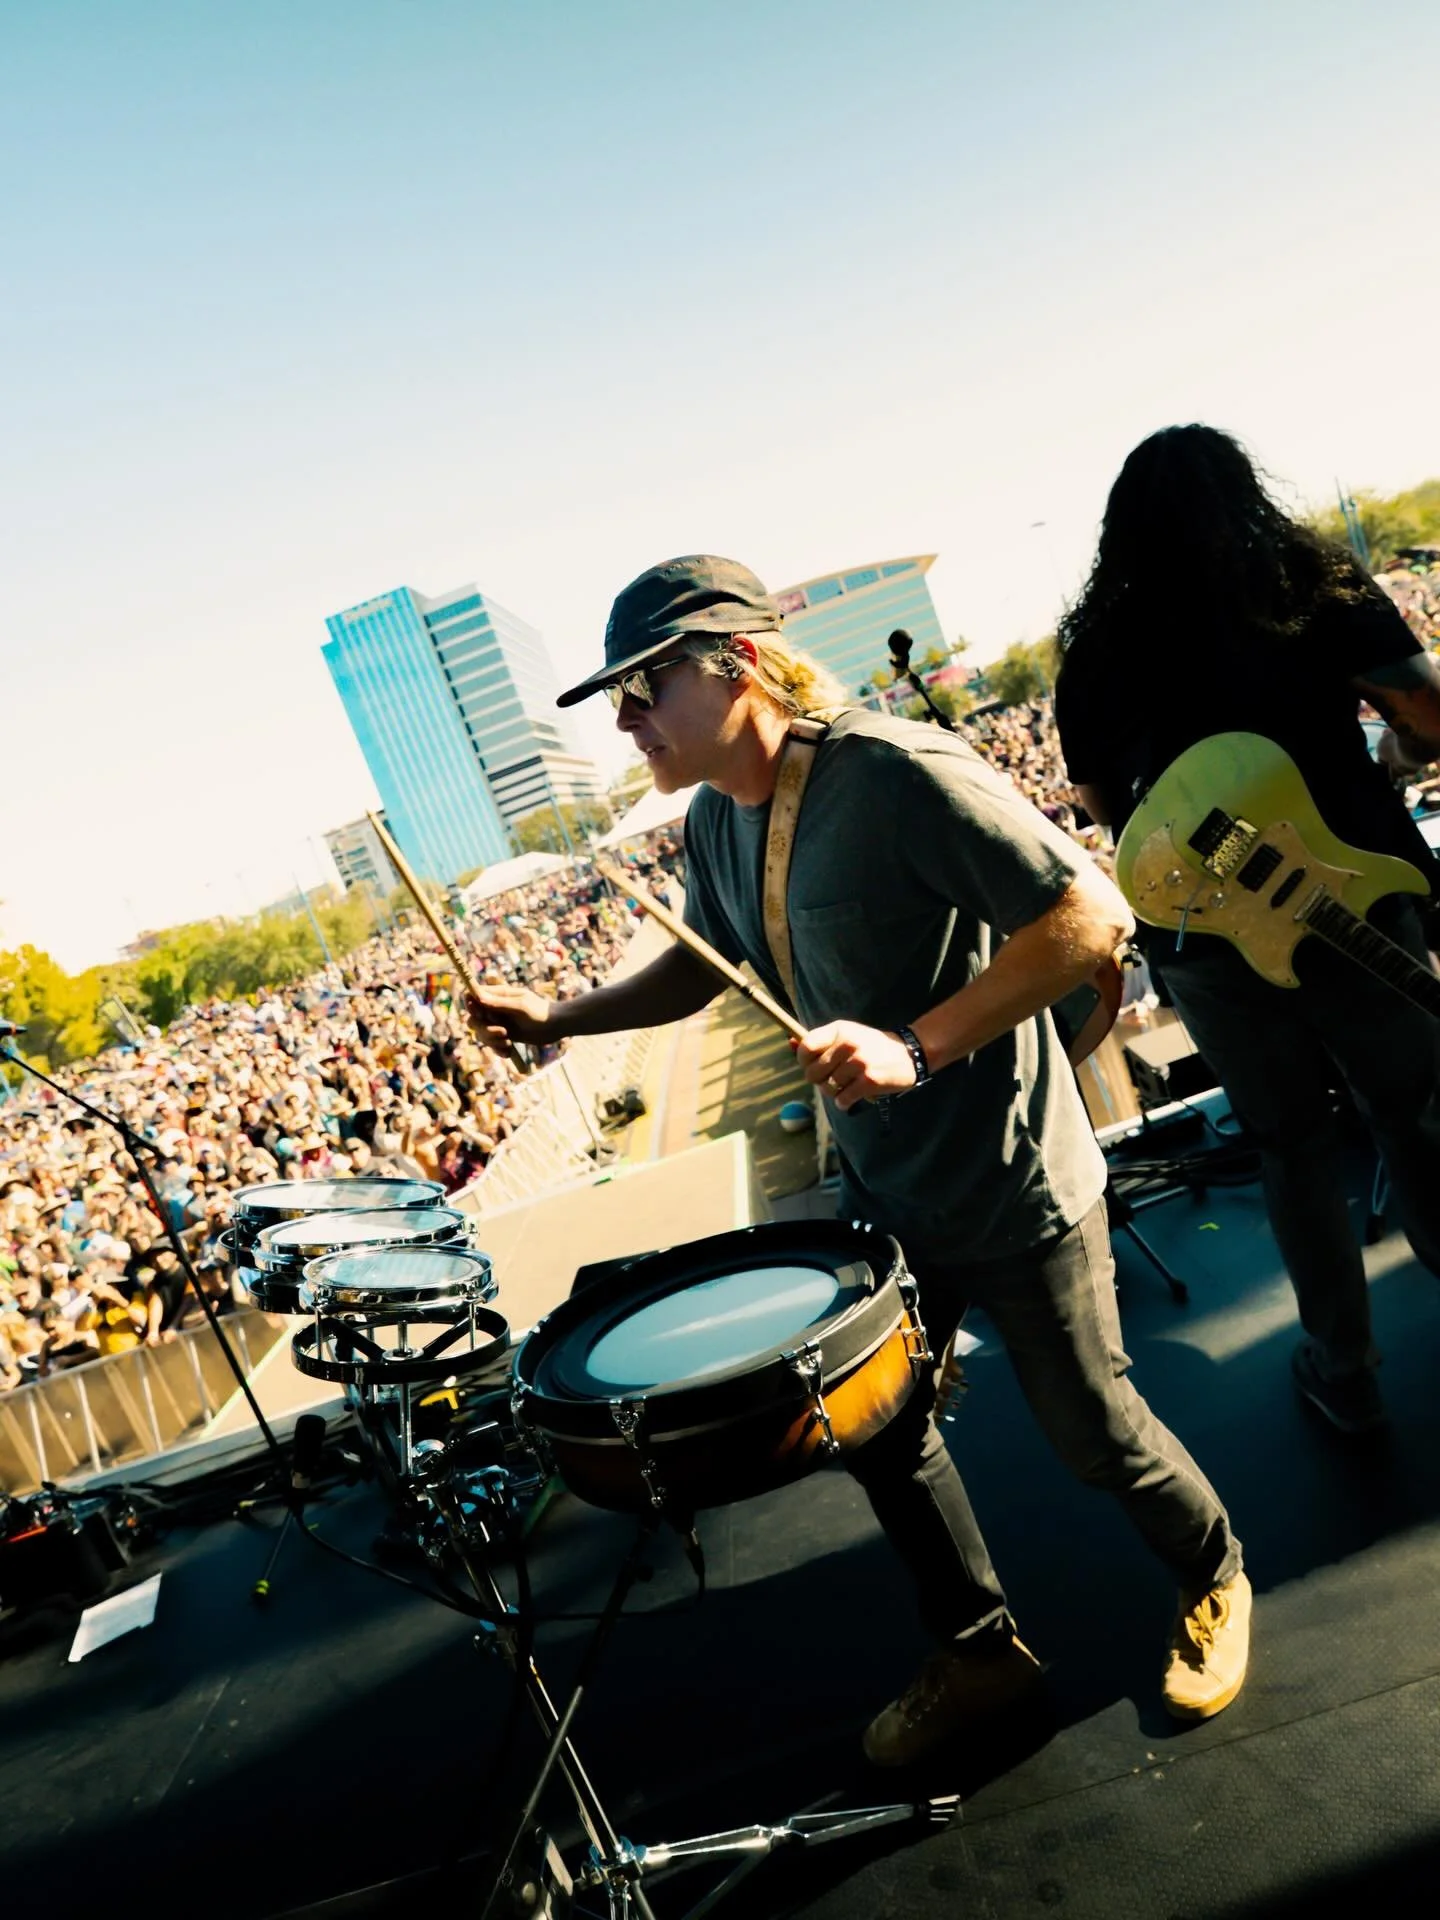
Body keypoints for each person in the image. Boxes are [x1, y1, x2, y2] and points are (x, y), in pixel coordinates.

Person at [474, 553, 1250, 1765]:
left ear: (735, 663)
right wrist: (560, 1017)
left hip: (1010, 1181)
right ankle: (981, 1651)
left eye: (643, 687)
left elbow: (1091, 917)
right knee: (880, 1425)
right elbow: (708, 961)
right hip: (884, 1196)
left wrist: (915, 1047)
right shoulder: (716, 820)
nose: (625, 721)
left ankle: (1215, 1571)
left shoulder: (894, 772)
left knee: (1094, 1430)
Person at [1054, 423, 1440, 1437]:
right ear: (1247, 496)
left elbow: (1109, 812)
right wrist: (1395, 746)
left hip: (1208, 939)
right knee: (1414, 1113)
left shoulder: (1096, 650)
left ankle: (1345, 1372)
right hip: (1352, 902)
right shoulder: (1312, 583)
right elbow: (1431, 710)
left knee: (1289, 1145)